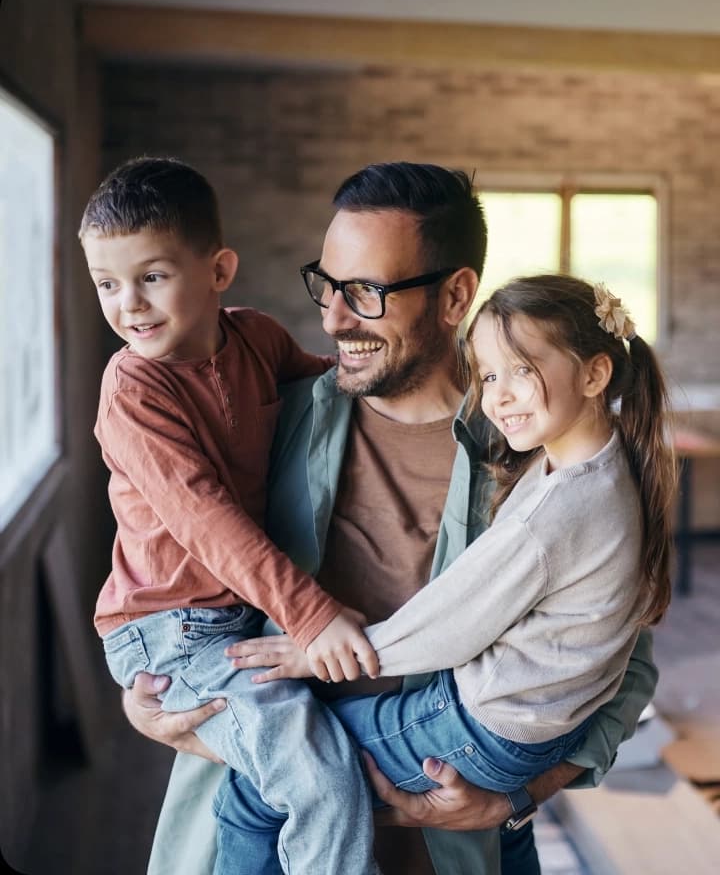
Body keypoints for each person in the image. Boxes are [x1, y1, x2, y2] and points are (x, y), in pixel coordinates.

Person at [123, 163, 659, 875]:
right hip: (268, 832)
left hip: (458, 845)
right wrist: (146, 703)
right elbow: (168, 579)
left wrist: (521, 796)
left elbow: (626, 661)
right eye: (328, 284)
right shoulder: (272, 420)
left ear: (455, 296)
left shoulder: (542, 452)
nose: (333, 317)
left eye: (366, 293)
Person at [221, 272, 675, 871]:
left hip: (486, 726)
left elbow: (452, 624)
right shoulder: (605, 461)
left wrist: (319, 655)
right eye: (488, 374)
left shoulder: (555, 513)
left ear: (594, 374)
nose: (499, 395)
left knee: (267, 768)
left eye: (522, 369)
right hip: (543, 725)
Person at [81, 155, 385, 875]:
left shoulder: (256, 338)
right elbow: (206, 521)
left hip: (237, 617)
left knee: (331, 744)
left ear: (218, 270)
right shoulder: (131, 390)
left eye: (151, 276)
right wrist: (312, 613)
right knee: (321, 778)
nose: (129, 304)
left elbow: (330, 387)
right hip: (167, 631)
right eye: (106, 284)